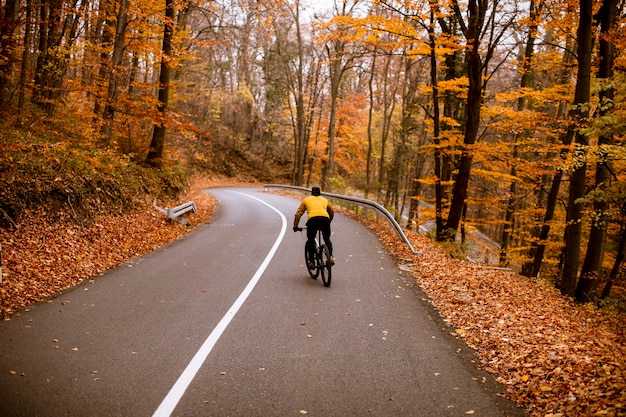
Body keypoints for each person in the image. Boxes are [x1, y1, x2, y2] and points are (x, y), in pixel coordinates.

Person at [293, 187, 334, 267]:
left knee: (311, 239)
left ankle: (311, 262)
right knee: (327, 239)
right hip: (325, 220)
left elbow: (298, 214)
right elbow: (331, 212)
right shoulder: (325, 200)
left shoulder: (306, 200)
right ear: (320, 193)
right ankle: (331, 257)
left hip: (313, 221)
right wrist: (329, 221)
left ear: (311, 193)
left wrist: (295, 226)